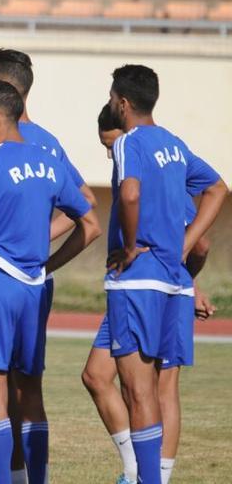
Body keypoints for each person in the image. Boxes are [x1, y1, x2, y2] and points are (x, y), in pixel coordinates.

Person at [0, 81, 101, 484]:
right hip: (33, 287)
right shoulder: (48, 161)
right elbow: (90, 223)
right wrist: (50, 264)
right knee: (30, 392)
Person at [102, 65, 226, 484]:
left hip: (139, 280)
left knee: (138, 391)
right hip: (175, 283)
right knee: (159, 388)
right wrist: (186, 244)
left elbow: (130, 192)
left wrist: (132, 243)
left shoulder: (129, 143)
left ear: (122, 102)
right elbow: (218, 189)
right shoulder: (174, 145)